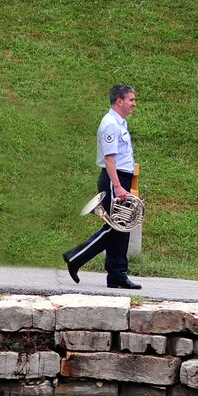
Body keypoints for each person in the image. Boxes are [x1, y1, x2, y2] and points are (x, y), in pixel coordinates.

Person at [63, 85, 141, 289]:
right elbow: (109, 159)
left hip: (121, 178)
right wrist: (118, 186)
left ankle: (117, 274)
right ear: (119, 101)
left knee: (122, 228)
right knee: (116, 227)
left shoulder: (119, 122)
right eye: (131, 100)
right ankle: (75, 257)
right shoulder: (111, 124)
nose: (134, 104)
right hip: (115, 179)